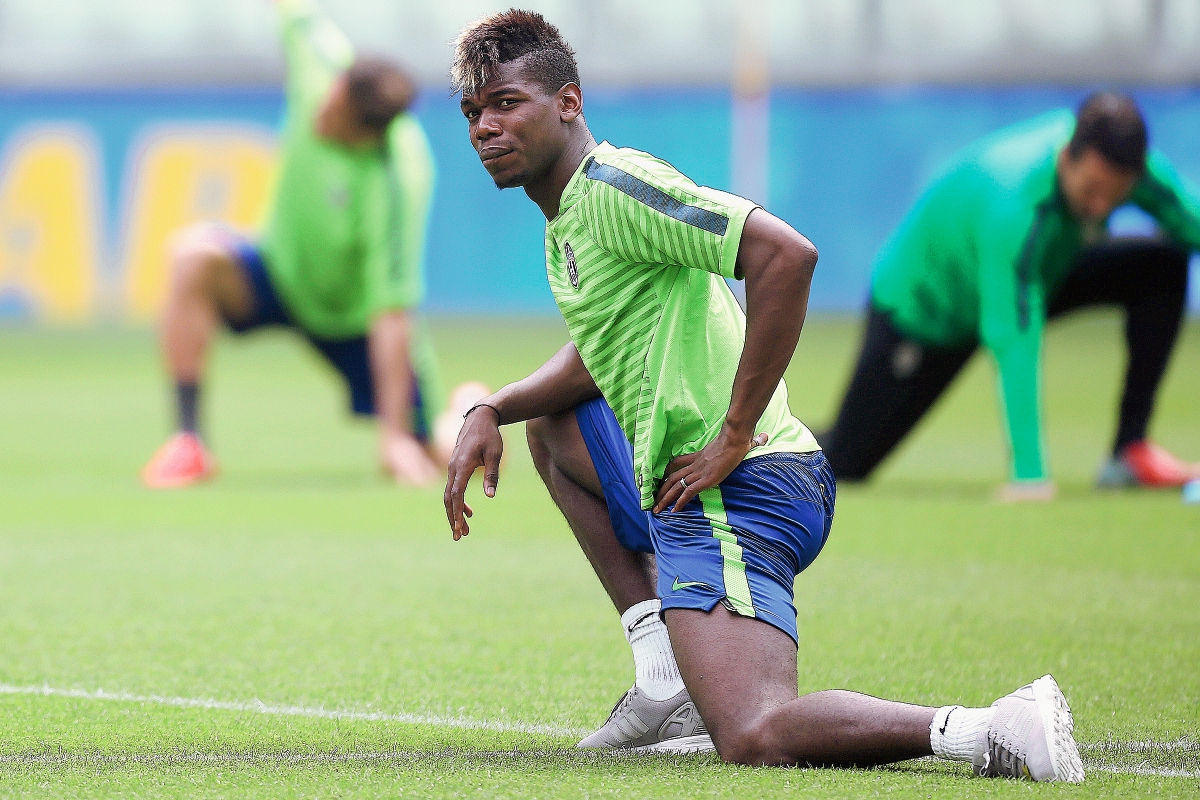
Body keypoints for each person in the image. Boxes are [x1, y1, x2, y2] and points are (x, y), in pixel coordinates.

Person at [441, 10, 1084, 781]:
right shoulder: (567, 220)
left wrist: (735, 430)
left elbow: (784, 255)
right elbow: (597, 354)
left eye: (506, 102)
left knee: (753, 732)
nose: (485, 126)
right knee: (550, 425)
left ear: (568, 103)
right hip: (705, 487)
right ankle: (666, 678)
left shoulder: (615, 187)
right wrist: (491, 408)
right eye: (473, 112)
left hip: (740, 487)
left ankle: (992, 729)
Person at [141, 0, 481, 489]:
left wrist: (392, 437)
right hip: (279, 273)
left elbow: (390, 313)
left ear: (369, 135)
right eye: (329, 99)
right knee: (192, 256)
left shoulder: (397, 179)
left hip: (352, 322)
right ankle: (187, 443)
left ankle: (467, 409)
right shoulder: (320, 61)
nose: (321, 114)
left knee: (442, 457)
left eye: (336, 115)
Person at [821, 93, 1200, 497]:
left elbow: (1192, 226)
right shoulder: (1014, 199)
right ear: (1068, 156)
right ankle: (761, 444)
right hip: (927, 312)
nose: (1100, 205)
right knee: (845, 463)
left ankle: (1129, 453)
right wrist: (1030, 474)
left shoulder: (1136, 174)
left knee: (1162, 267)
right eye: (1091, 189)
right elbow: (1013, 334)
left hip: (1044, 271)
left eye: (1116, 194)